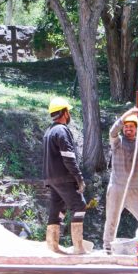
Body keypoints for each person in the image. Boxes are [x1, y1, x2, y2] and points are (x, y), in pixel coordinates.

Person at [102, 105, 138, 254]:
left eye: (131, 126)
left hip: (133, 189)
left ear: (136, 129)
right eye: (126, 126)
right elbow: (112, 131)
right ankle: (107, 247)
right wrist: (128, 114)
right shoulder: (117, 142)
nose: (128, 129)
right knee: (111, 218)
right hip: (117, 187)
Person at [42, 97, 89, 255]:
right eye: (68, 111)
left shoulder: (49, 131)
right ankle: (78, 247)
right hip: (64, 177)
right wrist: (79, 178)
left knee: (58, 208)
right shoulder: (61, 131)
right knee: (80, 206)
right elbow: (69, 157)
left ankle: (52, 246)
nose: (69, 114)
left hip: (52, 178)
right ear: (64, 113)